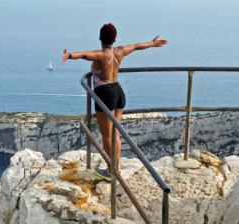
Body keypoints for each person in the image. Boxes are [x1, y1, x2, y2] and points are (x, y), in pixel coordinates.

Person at [62, 23, 168, 178]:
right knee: (115, 133)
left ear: (100, 38)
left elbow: (85, 55)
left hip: (105, 94)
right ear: (115, 38)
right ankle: (116, 168)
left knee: (107, 136)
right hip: (118, 92)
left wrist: (69, 55)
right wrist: (152, 44)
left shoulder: (100, 55)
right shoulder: (120, 51)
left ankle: (111, 170)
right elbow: (137, 46)